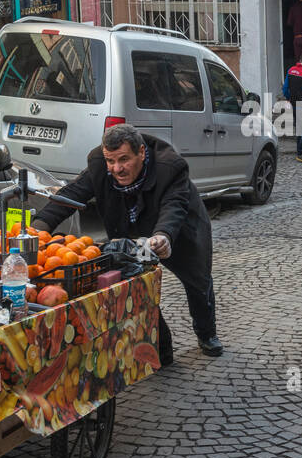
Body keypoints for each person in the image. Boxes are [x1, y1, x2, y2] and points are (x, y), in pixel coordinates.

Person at [32, 124, 223, 359]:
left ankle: (206, 333)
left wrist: (163, 235)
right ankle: (161, 351)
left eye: (124, 160)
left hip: (180, 230)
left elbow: (174, 206)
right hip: (134, 230)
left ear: (141, 152)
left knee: (197, 281)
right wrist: (38, 228)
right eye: (111, 161)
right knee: (139, 284)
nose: (117, 168)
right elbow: (70, 195)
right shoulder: (100, 164)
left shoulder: (170, 167)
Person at [283, 50, 302, 162]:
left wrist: (289, 98)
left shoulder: (291, 70)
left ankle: (299, 151)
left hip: (295, 103)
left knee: (300, 127)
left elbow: (285, 88)